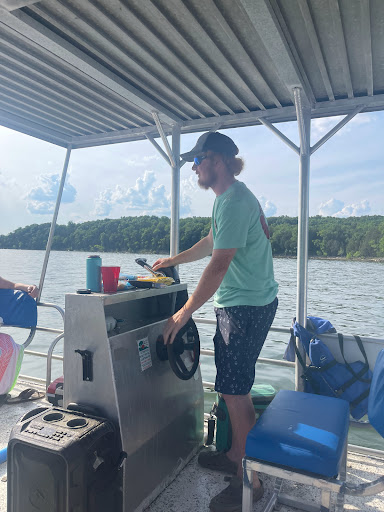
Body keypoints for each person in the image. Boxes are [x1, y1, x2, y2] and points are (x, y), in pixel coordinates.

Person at [153, 131, 278, 511]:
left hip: (245, 308)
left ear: (216, 160)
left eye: (197, 160)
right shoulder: (228, 200)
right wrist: (171, 261)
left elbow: (219, 263)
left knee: (236, 394)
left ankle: (250, 483)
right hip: (242, 305)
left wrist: (184, 311)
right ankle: (236, 455)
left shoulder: (235, 201)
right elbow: (210, 242)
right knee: (230, 389)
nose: (193, 168)